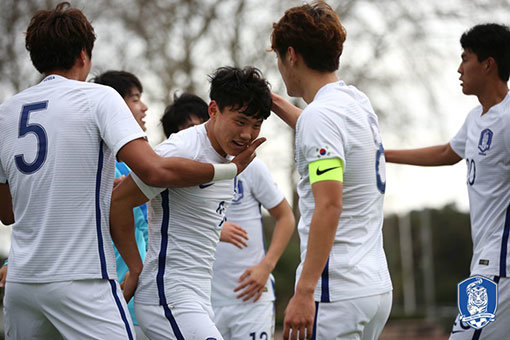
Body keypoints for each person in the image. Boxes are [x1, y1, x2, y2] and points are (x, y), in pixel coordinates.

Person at [0, 3, 262, 339]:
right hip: (83, 279)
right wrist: (229, 170)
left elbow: (7, 213)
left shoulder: (6, 113)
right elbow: (153, 171)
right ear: (84, 55)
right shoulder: (99, 98)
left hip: (22, 282)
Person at [110, 66, 272, 340]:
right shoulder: (183, 148)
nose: (247, 134)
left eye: (256, 125)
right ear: (213, 110)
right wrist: (135, 267)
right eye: (240, 121)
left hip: (198, 298)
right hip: (167, 299)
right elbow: (118, 203)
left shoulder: (233, 159)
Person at [270, 1, 393, 339]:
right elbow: (322, 135)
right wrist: (274, 101)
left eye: (278, 59)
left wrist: (304, 291)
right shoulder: (356, 102)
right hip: (374, 288)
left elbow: (329, 204)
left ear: (291, 55)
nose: (279, 68)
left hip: (335, 291)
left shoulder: (319, 117)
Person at [385, 23, 510, 340]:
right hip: (487, 263)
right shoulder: (475, 119)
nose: (459, 68)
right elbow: (446, 152)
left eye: (465, 58)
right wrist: (380, 153)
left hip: (497, 265)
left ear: (488, 64)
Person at [161, 92, 296, 339]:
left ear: (213, 117)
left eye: (198, 125)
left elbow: (286, 216)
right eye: (186, 130)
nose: (197, 133)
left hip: (251, 298)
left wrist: (266, 266)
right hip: (201, 301)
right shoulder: (174, 173)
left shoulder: (249, 166)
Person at [92, 70, 150, 340]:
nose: (144, 107)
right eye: (136, 99)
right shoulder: (92, 162)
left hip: (138, 298)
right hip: (97, 299)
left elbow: (147, 229)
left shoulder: (136, 164)